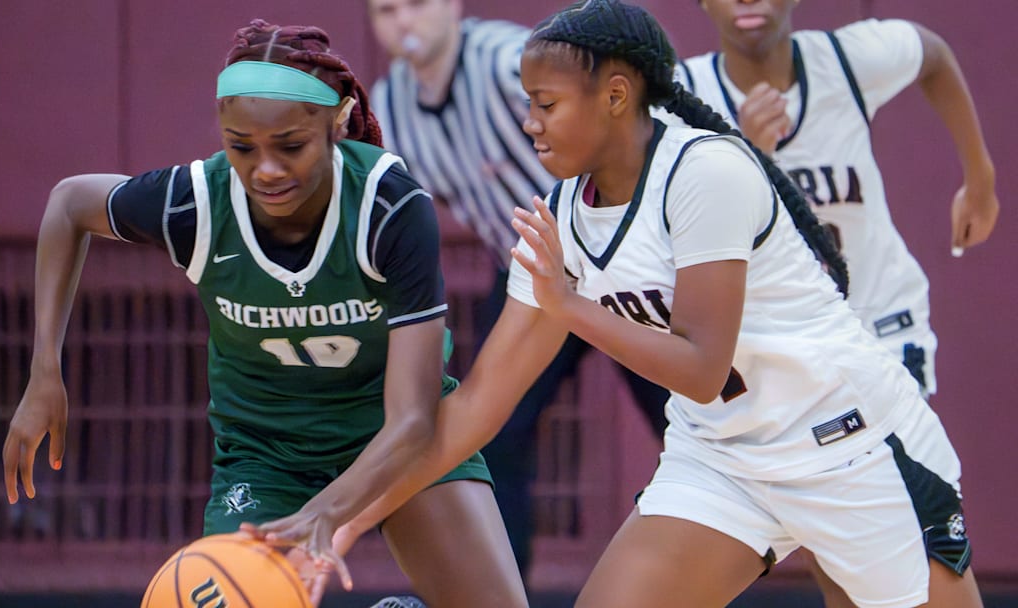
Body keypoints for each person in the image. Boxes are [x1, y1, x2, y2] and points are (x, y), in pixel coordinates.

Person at [252, 1, 986, 606]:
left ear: (614, 96)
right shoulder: (561, 218)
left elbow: (700, 366)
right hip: (724, 460)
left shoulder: (706, 171)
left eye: (544, 105)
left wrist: (569, 306)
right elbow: (474, 410)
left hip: (848, 442)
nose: (530, 124)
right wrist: (337, 519)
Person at [0, 20, 527, 608]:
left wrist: (324, 516)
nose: (266, 170)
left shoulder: (388, 205)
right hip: (265, 454)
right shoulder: (195, 202)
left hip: (389, 436)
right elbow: (69, 203)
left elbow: (412, 421)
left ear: (338, 121)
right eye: (241, 147)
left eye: (291, 146)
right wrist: (44, 368)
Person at [676, 2, 999, 603]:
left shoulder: (847, 60)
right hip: (789, 352)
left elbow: (931, 53)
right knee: (840, 547)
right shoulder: (685, 96)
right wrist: (745, 151)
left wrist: (978, 176)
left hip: (880, 325)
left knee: (881, 527)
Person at [365, 0, 671, 580]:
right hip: (529, 274)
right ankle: (501, 592)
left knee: (688, 421)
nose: (404, 21)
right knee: (494, 436)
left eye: (417, 4)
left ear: (453, 6)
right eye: (386, 10)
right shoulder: (391, 107)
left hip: (619, 255)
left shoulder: (510, 61)